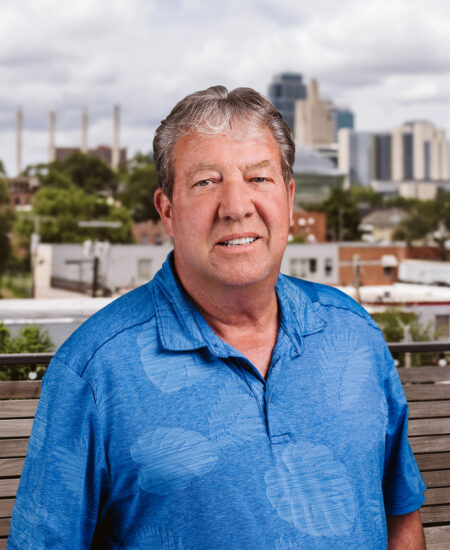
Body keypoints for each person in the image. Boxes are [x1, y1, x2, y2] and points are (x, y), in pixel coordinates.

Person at [8, 86, 426, 549]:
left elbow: (400, 518)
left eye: (258, 179)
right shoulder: (92, 371)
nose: (236, 207)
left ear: (289, 199)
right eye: (206, 182)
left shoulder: (354, 333)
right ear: (167, 211)